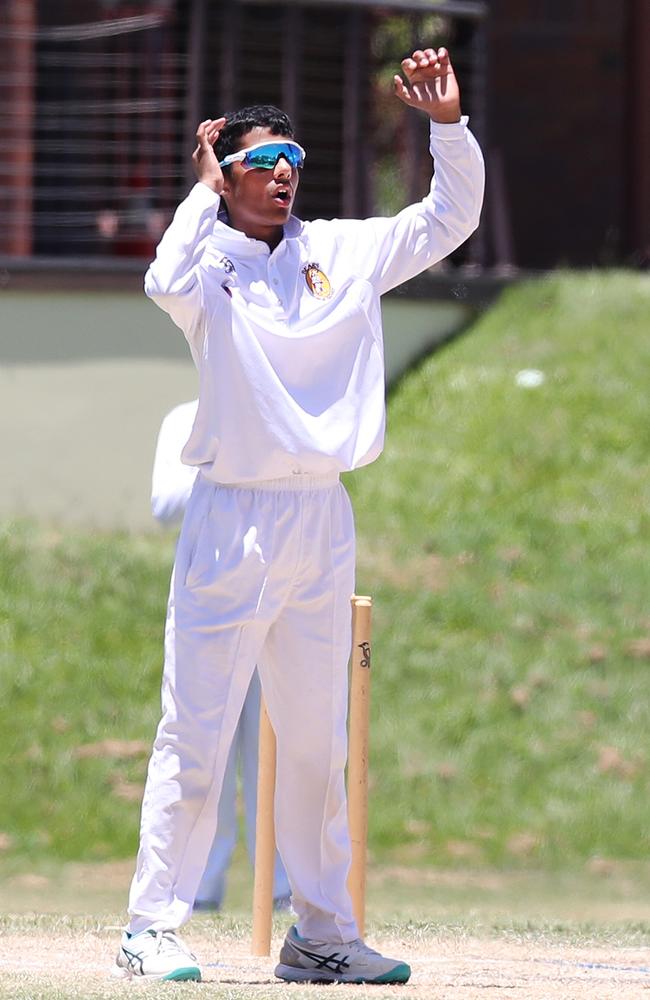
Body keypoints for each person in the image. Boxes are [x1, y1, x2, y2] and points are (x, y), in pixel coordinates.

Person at [113, 46, 484, 984]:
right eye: (261, 163)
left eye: (294, 162)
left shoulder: (341, 253)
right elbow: (161, 281)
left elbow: (450, 218)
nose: (282, 178)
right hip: (232, 518)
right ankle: (150, 927)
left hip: (321, 517)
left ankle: (321, 933)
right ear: (225, 172)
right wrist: (202, 194)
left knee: (317, 740)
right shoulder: (206, 272)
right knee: (195, 731)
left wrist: (447, 126)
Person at [150, 400, 291, 912]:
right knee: (201, 750)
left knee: (274, 755)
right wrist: (228, 475)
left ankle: (279, 891)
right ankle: (199, 891)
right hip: (209, 604)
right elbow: (163, 502)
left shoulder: (273, 407)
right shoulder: (185, 417)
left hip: (273, 598)